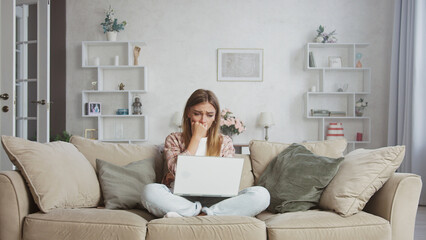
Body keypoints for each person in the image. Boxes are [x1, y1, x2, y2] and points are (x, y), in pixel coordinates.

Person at [141, 89, 270, 218]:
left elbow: (228, 180)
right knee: (149, 191)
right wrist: (196, 138)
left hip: (218, 200)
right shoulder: (174, 139)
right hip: (181, 198)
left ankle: (203, 213)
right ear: (188, 113)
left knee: (262, 194)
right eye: (197, 114)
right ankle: (200, 212)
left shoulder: (225, 142)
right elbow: (176, 171)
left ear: (215, 117)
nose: (203, 120)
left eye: (209, 115)